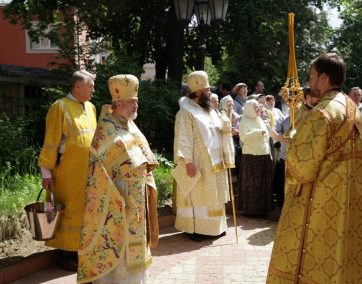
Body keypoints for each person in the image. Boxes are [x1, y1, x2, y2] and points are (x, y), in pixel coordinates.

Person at [267, 53, 362, 283]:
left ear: (324, 78)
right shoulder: (352, 107)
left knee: (311, 260)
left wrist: (295, 139)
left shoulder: (322, 113)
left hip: (321, 202)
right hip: (348, 199)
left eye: (312, 76)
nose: (310, 82)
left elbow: (302, 166)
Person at [77, 74, 159, 283]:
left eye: (136, 101)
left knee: (136, 250)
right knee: (119, 250)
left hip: (137, 198)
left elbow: (144, 157)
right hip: (118, 203)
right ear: (117, 103)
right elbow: (97, 175)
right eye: (132, 102)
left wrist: (146, 175)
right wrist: (120, 199)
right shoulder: (106, 130)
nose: (135, 105)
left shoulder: (130, 125)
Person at [38, 70, 97, 271]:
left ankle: (81, 249)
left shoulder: (91, 108)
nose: (93, 90)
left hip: (88, 173)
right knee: (68, 210)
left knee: (85, 210)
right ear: (77, 86)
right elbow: (51, 141)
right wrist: (46, 173)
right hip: (66, 173)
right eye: (90, 86)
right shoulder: (60, 107)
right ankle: (65, 253)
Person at [173, 70, 230, 242]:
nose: (210, 93)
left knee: (214, 194)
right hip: (198, 162)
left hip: (216, 163)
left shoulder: (209, 110)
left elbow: (220, 129)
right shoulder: (186, 112)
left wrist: (227, 118)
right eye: (206, 91)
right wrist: (187, 162)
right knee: (199, 194)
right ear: (197, 92)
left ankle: (215, 227)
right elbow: (183, 138)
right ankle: (196, 229)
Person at [238, 99, 273, 217]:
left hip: (264, 155)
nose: (258, 109)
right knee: (253, 183)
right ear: (249, 109)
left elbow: (266, 138)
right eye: (256, 107)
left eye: (258, 107)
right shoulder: (244, 121)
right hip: (251, 156)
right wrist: (258, 132)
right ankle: (252, 210)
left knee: (263, 183)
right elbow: (243, 138)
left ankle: (263, 209)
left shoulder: (260, 120)